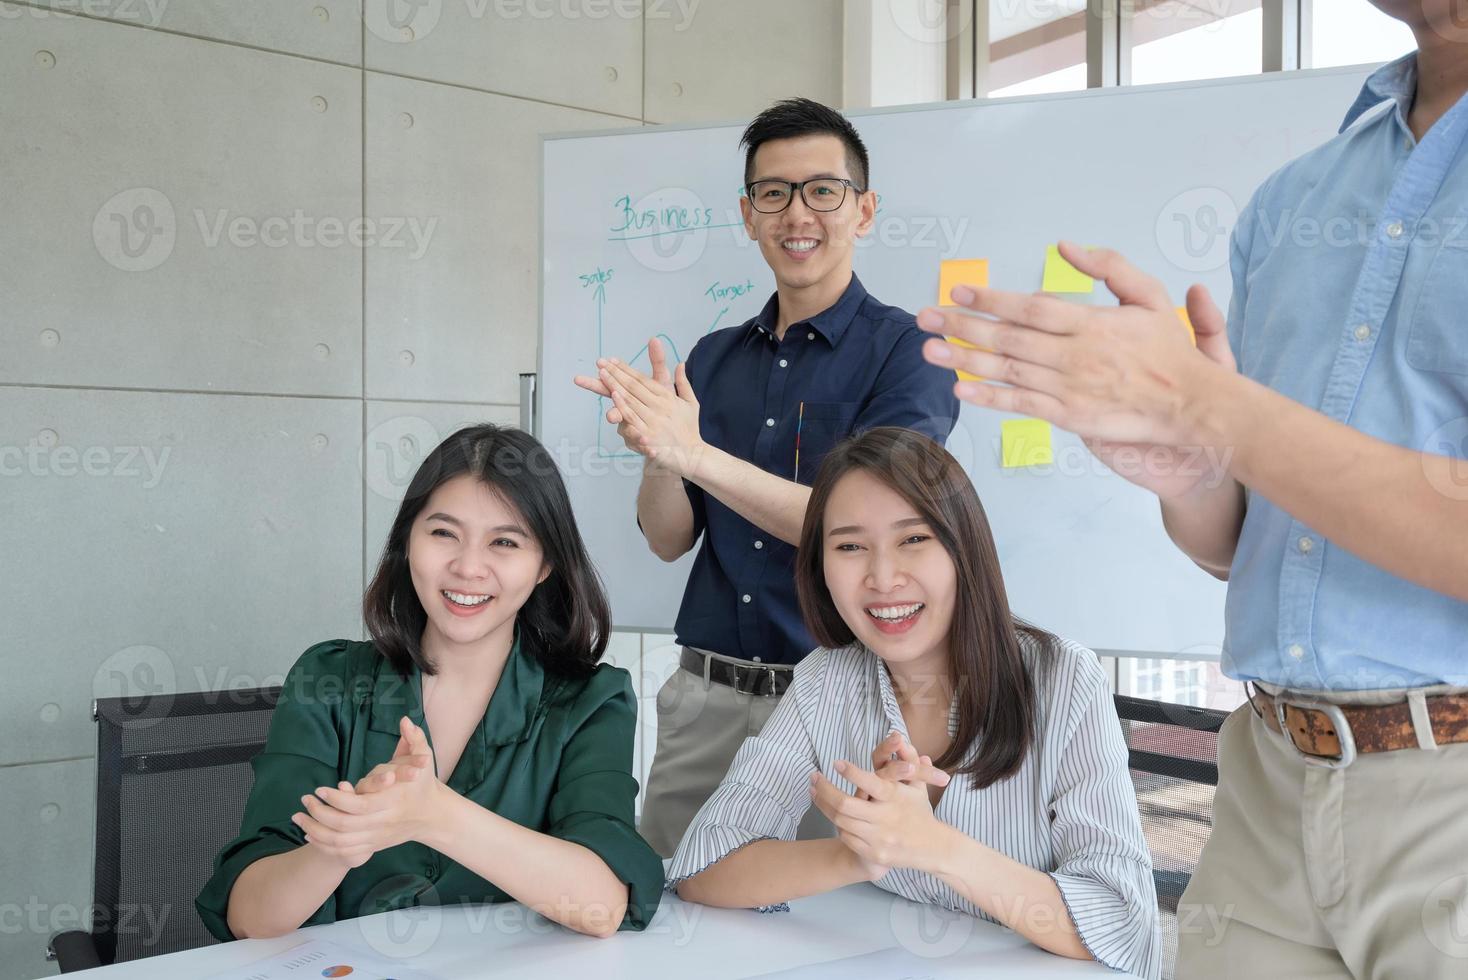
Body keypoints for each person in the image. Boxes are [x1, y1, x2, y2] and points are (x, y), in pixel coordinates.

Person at [916, 3, 1468, 974]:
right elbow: (1244, 544)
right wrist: (1190, 470)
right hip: (1267, 770)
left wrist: (1211, 407)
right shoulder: (1297, 195)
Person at [574, 97, 960, 857]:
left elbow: (864, 528)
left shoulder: (909, 352)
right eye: (773, 194)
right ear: (749, 216)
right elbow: (665, 539)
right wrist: (661, 451)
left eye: (824, 190)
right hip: (705, 697)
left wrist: (698, 456)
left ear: (865, 209)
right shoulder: (713, 357)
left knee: (839, 921)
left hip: (843, 704)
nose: (798, 214)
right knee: (673, 907)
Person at [666, 427, 1160, 979]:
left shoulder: (1063, 679)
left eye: (913, 539)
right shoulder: (825, 683)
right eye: (850, 546)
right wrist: (857, 855)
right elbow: (701, 866)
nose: (882, 578)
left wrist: (933, 847)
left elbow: (1126, 925)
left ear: (962, 548)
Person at [196, 424, 663, 941]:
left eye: (505, 542)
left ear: (544, 565)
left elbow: (601, 905)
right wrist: (339, 845)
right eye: (443, 533)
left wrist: (433, 815)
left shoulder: (591, 702)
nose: (467, 568)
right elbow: (250, 918)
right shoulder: (326, 680)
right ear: (407, 542)